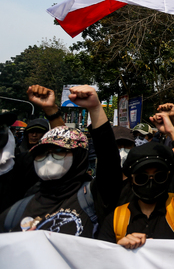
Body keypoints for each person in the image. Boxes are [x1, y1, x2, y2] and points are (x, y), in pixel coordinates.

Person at [0, 85, 121, 237]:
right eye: (41, 153)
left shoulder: (94, 198)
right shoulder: (15, 213)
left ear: (78, 157)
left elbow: (109, 160)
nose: (48, 158)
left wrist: (95, 108)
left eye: (58, 151)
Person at [98, 112, 174, 249]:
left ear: (168, 177)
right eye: (142, 178)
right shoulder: (116, 218)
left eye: (159, 176)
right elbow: (101, 258)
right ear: (131, 179)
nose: (150, 183)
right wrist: (118, 248)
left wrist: (171, 131)